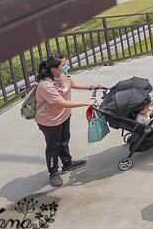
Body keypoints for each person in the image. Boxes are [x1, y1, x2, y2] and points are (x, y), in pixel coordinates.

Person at [34, 54, 102, 188]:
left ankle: (67, 163)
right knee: (53, 146)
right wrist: (86, 102)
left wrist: (91, 87)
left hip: (64, 116)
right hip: (50, 121)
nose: (66, 67)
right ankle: (53, 173)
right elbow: (61, 103)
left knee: (64, 140)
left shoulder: (61, 75)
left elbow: (71, 83)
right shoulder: (45, 86)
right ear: (53, 69)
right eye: (63, 65)